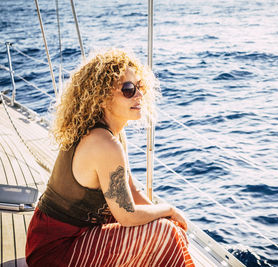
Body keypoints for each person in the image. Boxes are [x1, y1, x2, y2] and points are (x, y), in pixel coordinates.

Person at [25, 48, 194, 267]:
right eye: (128, 89)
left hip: (66, 236)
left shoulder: (112, 133)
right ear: (101, 99)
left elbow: (131, 191)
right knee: (165, 232)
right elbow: (127, 215)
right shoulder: (103, 144)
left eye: (139, 86)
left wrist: (162, 216)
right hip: (53, 252)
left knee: (162, 225)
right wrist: (169, 211)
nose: (139, 95)